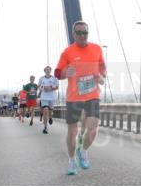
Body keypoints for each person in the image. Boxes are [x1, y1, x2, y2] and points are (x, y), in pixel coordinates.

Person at [54, 20, 106, 175]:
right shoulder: (67, 52)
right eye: (79, 33)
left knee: (93, 129)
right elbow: (57, 73)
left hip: (92, 96)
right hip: (74, 98)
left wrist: (102, 76)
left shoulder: (96, 49)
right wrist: (65, 73)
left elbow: (102, 66)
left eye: (85, 32)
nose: (82, 36)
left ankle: (82, 151)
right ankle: (71, 161)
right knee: (72, 133)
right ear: (74, 34)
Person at [38, 65, 60, 134]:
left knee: (50, 111)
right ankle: (45, 127)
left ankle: (50, 117)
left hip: (52, 97)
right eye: (46, 70)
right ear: (45, 71)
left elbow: (57, 87)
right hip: (44, 97)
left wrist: (51, 88)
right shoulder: (41, 78)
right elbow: (39, 87)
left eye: (49, 70)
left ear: (51, 71)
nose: (48, 71)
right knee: (45, 111)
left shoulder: (54, 78)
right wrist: (43, 88)